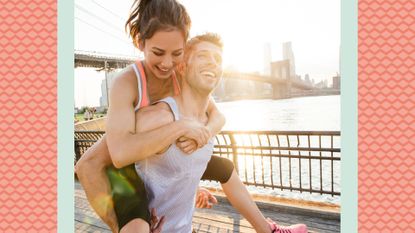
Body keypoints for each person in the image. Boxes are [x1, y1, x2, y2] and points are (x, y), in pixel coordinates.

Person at [75, 0, 234, 232]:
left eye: (177, 53)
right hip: (124, 166)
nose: (167, 64)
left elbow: (217, 116)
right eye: (158, 53)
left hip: (154, 155)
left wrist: (203, 136)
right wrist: (181, 127)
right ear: (140, 42)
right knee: (134, 222)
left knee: (223, 167)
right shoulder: (127, 82)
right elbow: (119, 156)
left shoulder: (179, 75)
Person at [131, 32, 308, 233]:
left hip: (186, 228)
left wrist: (190, 187)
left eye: (217, 59)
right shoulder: (159, 117)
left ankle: (268, 230)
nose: (212, 63)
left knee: (225, 166)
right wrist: (136, 224)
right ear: (181, 66)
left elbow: (172, 167)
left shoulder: (208, 118)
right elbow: (115, 165)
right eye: (203, 56)